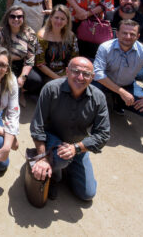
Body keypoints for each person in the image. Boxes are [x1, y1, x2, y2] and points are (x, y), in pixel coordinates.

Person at [29, 57, 110, 201]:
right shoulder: (51, 88)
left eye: (86, 74)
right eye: (76, 71)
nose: (80, 77)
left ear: (93, 77)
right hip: (51, 139)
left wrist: (76, 148)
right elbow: (37, 126)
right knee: (61, 158)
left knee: (87, 194)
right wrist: (43, 157)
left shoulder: (99, 98)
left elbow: (103, 135)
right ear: (67, 71)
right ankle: (52, 173)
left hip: (78, 146)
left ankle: (63, 165)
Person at [93, 20, 143, 116]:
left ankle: (118, 101)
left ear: (138, 36)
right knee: (88, 92)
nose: (128, 37)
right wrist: (121, 92)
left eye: (132, 34)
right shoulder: (105, 47)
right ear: (117, 33)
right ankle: (113, 97)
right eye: (124, 33)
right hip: (105, 83)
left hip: (127, 85)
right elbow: (98, 74)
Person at [0, 6, 44, 101]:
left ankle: (21, 91)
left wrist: (22, 78)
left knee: (36, 81)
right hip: (4, 64)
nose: (16, 19)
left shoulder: (30, 34)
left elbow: (30, 59)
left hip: (21, 64)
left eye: (19, 16)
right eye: (12, 16)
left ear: (23, 18)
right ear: (7, 18)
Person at [35, 5, 79, 87]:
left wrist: (68, 75)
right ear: (51, 17)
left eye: (62, 19)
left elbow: (74, 59)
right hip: (47, 74)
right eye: (56, 17)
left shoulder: (71, 36)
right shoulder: (41, 36)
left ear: (67, 21)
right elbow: (40, 64)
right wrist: (58, 78)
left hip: (66, 72)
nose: (59, 21)